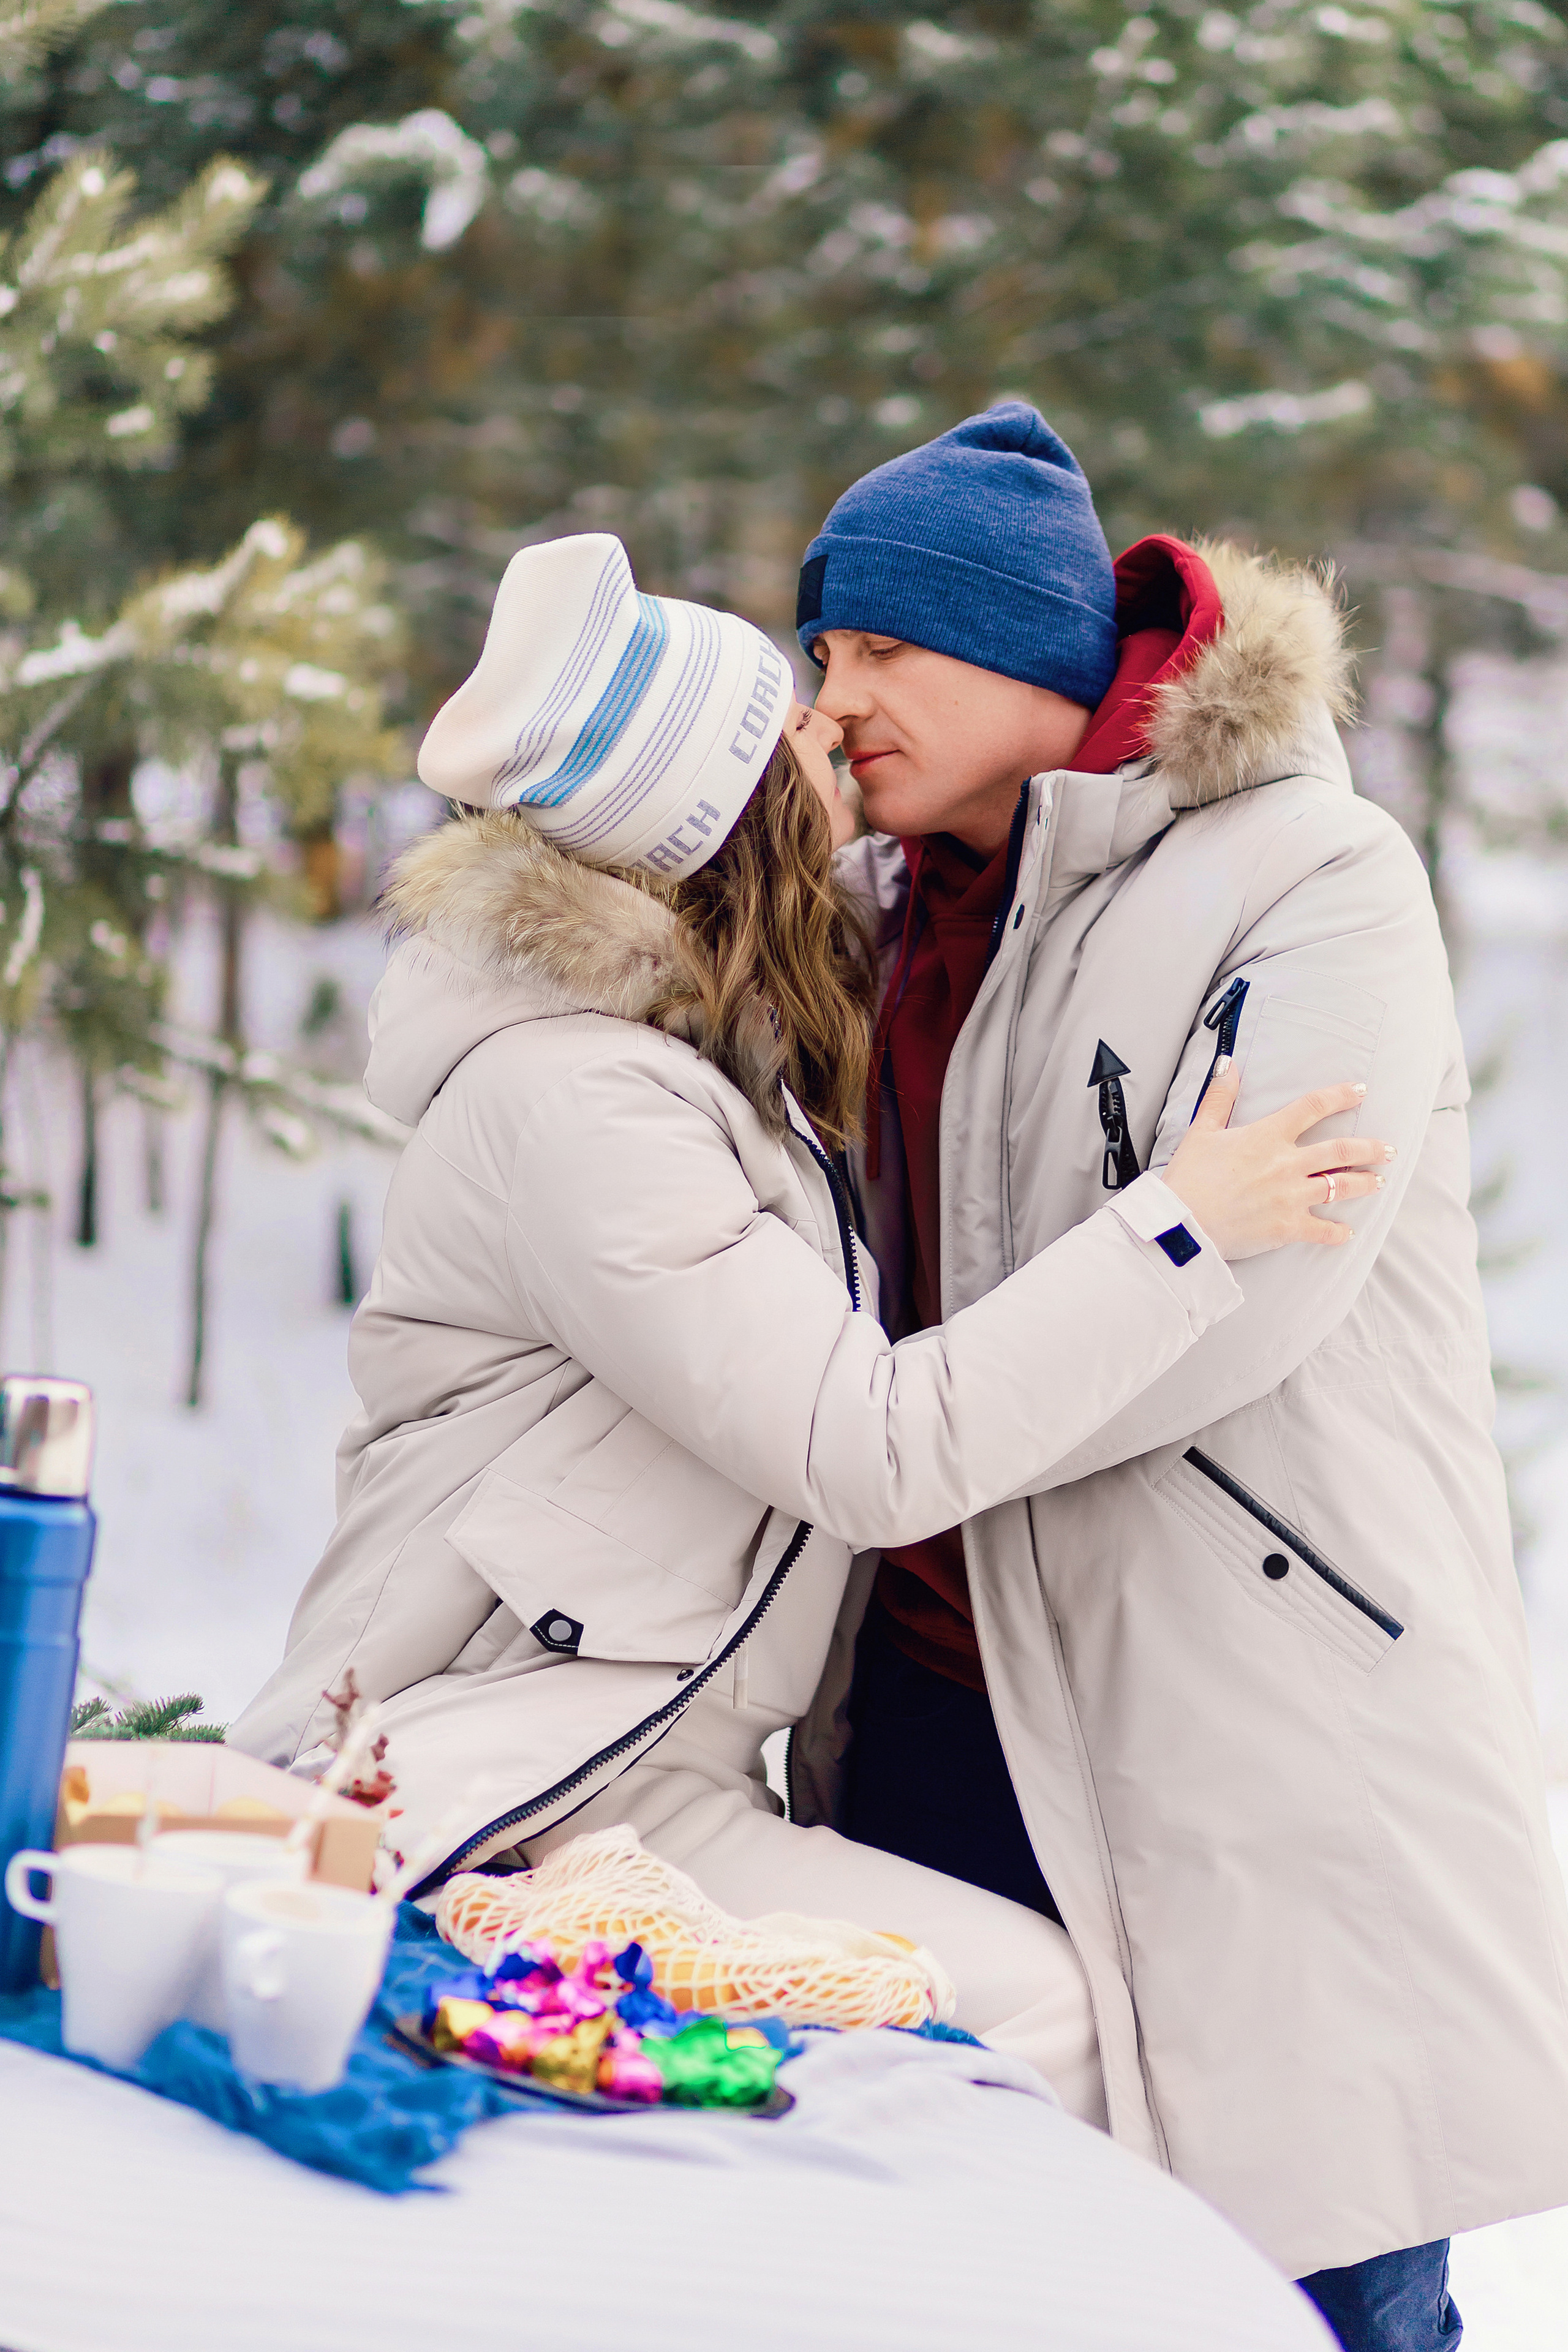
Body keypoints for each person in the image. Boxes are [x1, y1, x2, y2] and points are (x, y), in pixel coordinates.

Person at [231, 529, 1382, 2120]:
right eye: (794, 727)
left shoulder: (674, 1066)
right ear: (725, 818)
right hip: (503, 1798)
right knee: (1042, 2025)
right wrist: (1179, 1226)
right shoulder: (582, 1103)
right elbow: (876, 1447)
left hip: (626, 1778)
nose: (833, 734)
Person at [793, 399, 1568, 2349]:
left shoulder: (1312, 876)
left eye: (881, 645)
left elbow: (1254, 1296)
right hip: (925, 1715)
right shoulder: (868, 916)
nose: (837, 695)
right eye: (818, 655)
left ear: (1025, 647)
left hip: (1245, 1720)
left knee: (1316, 2295)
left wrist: (907, 1430)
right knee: (973, 2282)